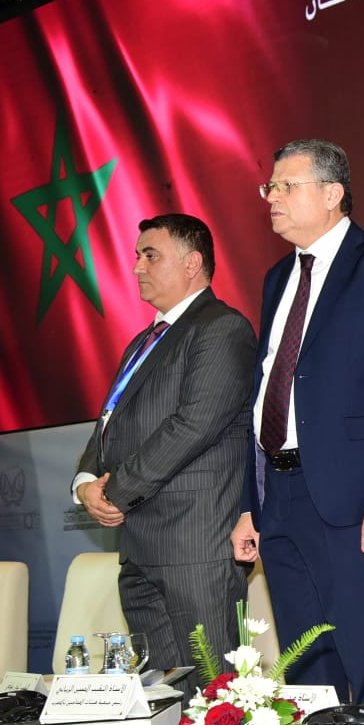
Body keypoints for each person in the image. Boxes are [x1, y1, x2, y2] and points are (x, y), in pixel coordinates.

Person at [230, 139, 364, 704]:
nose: (271, 197)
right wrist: (250, 503)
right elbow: (266, 390)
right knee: (304, 663)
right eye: (269, 186)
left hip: (354, 498)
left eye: (286, 186)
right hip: (279, 495)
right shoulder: (278, 278)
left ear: (331, 194)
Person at [74, 213, 255, 677]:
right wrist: (86, 482)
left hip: (195, 544)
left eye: (150, 255)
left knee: (214, 695)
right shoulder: (143, 341)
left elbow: (194, 425)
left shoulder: (221, 327)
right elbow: (111, 421)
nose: (137, 266)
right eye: (137, 256)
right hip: (140, 544)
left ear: (192, 263)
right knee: (162, 695)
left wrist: (115, 491)